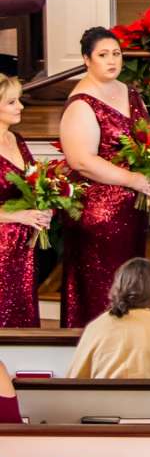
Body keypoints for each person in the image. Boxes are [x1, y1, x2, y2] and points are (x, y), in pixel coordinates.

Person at [57, 26, 150, 326]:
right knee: (103, 288)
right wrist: (133, 179)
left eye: (117, 54)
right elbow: (81, 160)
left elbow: (149, 139)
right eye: (103, 55)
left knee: (129, 284)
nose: (112, 60)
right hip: (98, 212)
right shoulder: (82, 103)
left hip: (131, 209)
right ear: (87, 60)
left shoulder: (129, 92)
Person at [0, 71, 49, 324]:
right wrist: (17, 215)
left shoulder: (16, 139)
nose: (20, 106)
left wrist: (43, 208)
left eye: (18, 99)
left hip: (22, 247)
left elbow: (33, 184)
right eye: (11, 102)